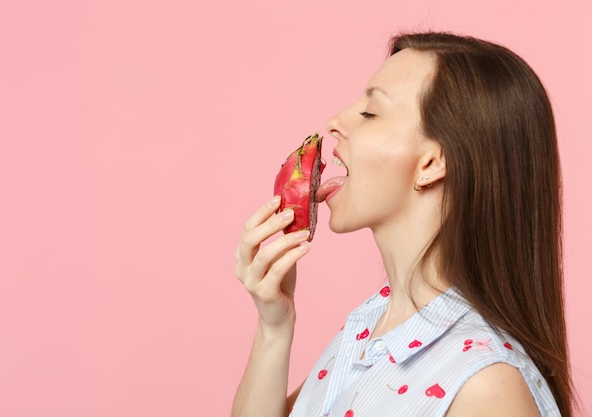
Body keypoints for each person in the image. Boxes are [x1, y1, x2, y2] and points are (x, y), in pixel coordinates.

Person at [232, 32, 574, 417]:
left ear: (431, 164)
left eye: (369, 113)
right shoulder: (368, 331)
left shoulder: (485, 386)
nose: (335, 122)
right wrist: (274, 326)